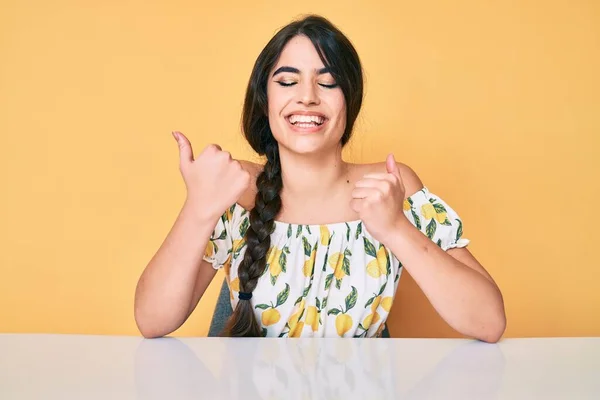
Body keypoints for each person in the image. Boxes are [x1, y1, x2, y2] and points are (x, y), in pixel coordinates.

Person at [134, 14, 506, 341]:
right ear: (265, 100)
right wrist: (198, 207)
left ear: (350, 100)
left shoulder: (392, 185)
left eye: (327, 83)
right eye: (287, 81)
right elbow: (152, 321)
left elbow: (489, 322)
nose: (307, 97)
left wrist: (396, 229)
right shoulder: (236, 188)